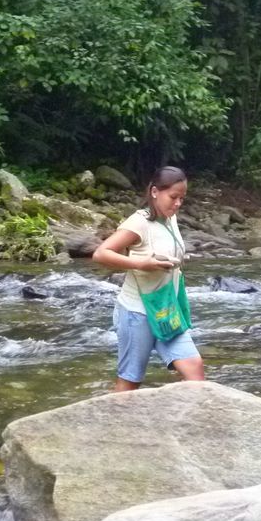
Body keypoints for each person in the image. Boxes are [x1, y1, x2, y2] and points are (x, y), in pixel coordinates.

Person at [93, 166, 205, 391]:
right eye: (173, 197)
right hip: (137, 312)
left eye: (182, 198)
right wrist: (140, 264)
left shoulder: (170, 219)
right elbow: (101, 254)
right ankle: (115, 423)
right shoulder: (139, 222)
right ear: (155, 192)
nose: (178, 204)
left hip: (165, 309)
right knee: (130, 380)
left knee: (195, 370)